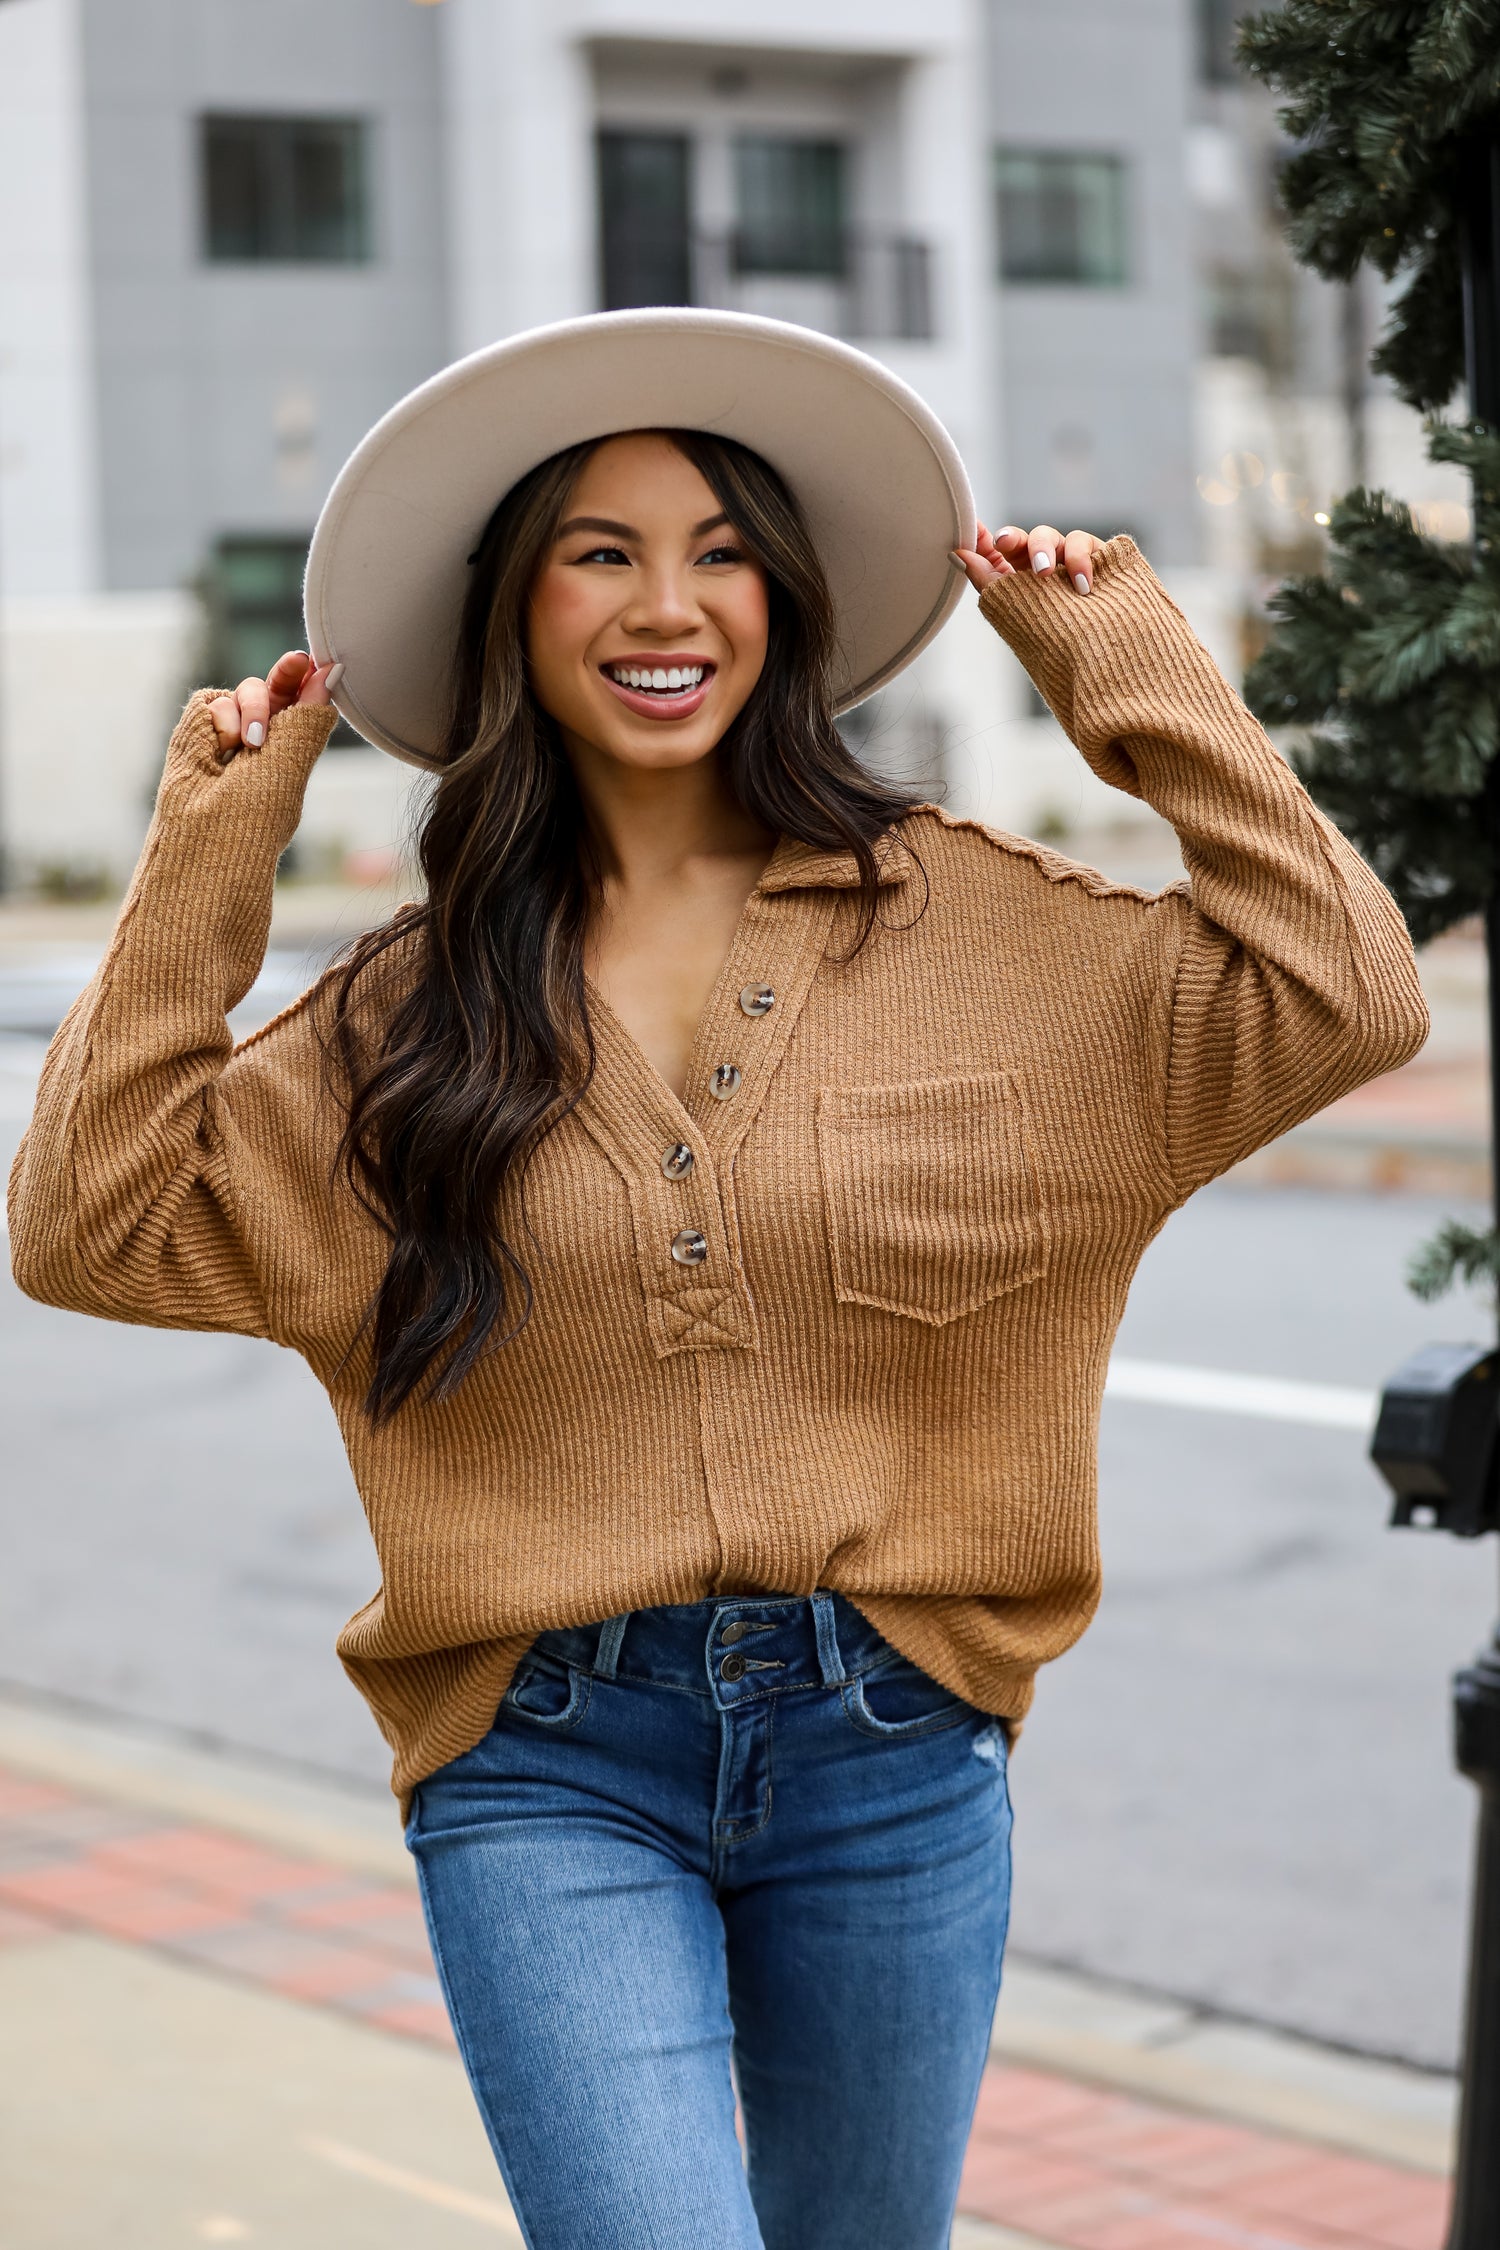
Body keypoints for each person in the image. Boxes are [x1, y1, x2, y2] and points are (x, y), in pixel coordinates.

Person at [7, 311, 1428, 2250]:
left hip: (897, 1745)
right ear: (515, 610)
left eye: (723, 547)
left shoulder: (981, 931)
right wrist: (205, 865)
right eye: (600, 550)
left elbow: (1343, 994)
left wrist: (1129, 665)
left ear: (789, 598)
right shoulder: (401, 1026)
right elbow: (85, 1221)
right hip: (543, 1761)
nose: (666, 602)